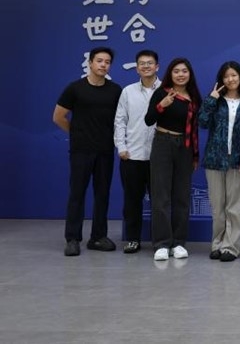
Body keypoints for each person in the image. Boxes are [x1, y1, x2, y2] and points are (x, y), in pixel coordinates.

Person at [53, 46, 123, 257]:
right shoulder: (75, 88)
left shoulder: (115, 90)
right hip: (81, 151)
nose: (103, 65)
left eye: (107, 62)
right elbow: (58, 117)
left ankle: (98, 237)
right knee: (77, 193)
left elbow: (120, 120)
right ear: (90, 63)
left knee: (102, 194)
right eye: (99, 61)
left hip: (105, 150)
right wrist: (77, 134)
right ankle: (72, 238)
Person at [145, 57, 201, 261]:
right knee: (161, 196)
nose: (180, 74)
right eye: (176, 71)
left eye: (184, 71)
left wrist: (195, 154)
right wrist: (162, 105)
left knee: (182, 197)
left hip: (184, 148)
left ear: (189, 74)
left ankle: (178, 242)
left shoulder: (194, 96)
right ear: (170, 73)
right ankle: (161, 243)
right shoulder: (162, 92)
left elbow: (194, 129)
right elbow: (148, 119)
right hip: (163, 143)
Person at [199, 61, 240, 262]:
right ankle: (217, 244)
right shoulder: (215, 100)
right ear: (221, 79)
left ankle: (230, 247)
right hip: (214, 160)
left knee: (235, 207)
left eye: (234, 75)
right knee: (217, 207)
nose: (230, 79)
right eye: (226, 76)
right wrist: (211, 100)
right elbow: (202, 122)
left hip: (238, 161)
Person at [113, 49, 160, 254]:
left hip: (159, 157)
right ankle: (133, 239)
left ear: (157, 67)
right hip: (132, 155)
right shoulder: (128, 91)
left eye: (150, 63)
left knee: (160, 202)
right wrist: (121, 147)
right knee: (132, 200)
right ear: (137, 68)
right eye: (142, 63)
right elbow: (120, 120)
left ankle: (160, 241)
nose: (146, 66)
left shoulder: (167, 90)